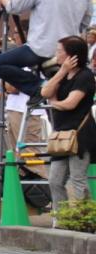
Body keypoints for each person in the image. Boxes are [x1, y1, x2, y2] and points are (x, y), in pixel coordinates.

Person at [40, 35, 95, 206]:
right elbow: (45, 93)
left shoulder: (85, 76)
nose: (57, 55)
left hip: (81, 135)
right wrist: (62, 71)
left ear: (73, 55)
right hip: (61, 134)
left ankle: (84, 221)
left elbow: (71, 103)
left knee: (78, 179)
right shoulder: (61, 74)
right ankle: (61, 218)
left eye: (60, 51)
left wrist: (55, 103)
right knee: (55, 180)